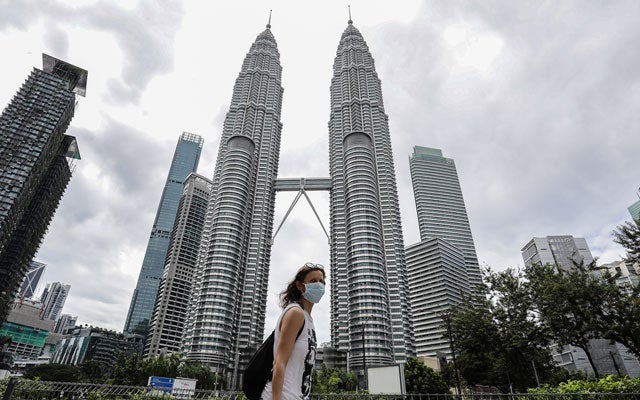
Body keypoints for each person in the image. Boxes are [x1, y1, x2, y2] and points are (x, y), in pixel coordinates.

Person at [261, 262, 326, 400]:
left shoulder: (308, 319)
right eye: (313, 281)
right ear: (300, 286)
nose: (319, 285)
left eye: (322, 281)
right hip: (282, 396)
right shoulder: (295, 313)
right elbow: (280, 362)